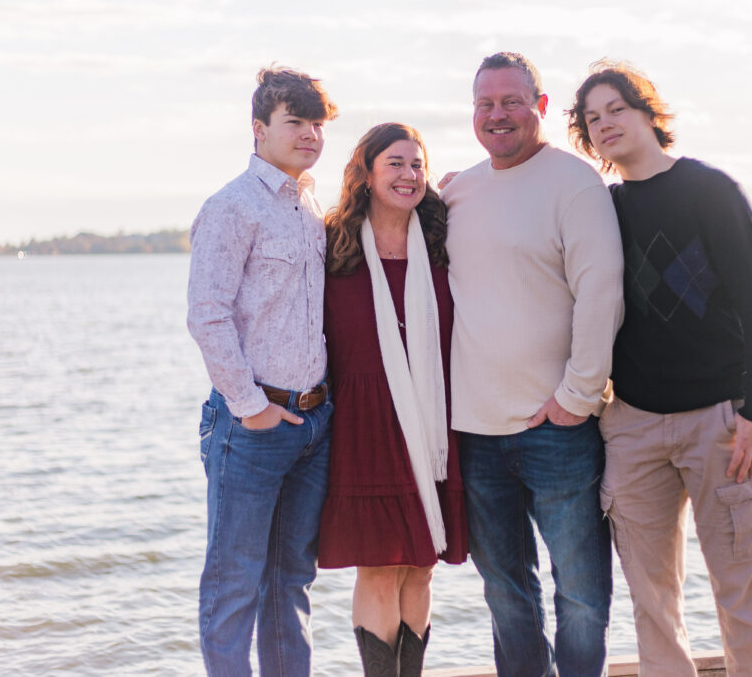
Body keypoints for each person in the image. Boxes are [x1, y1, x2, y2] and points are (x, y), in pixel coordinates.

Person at [567, 60, 752, 676]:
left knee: (743, 596)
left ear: (647, 113)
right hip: (633, 426)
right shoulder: (601, 209)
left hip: (719, 424)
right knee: (651, 603)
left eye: (617, 109)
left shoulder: (710, 191)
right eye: (593, 119)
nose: (606, 124)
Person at [440, 52, 624, 676]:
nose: (498, 115)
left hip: (558, 428)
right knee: (506, 595)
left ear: (540, 107)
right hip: (475, 431)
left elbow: (602, 291)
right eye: (485, 104)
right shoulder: (458, 191)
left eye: (511, 101)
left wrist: (576, 397)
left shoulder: (575, 183)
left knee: (581, 596)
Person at [186, 65, 338, 676]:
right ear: (258, 128)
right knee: (234, 586)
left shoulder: (310, 207)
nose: (309, 134)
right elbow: (207, 316)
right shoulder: (231, 207)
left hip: (313, 423)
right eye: (294, 122)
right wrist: (250, 407)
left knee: (292, 585)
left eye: (318, 124)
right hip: (252, 426)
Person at [319, 122, 468, 676]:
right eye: (395, 164)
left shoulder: (442, 243)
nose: (409, 175)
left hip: (432, 420)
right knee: (380, 568)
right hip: (364, 427)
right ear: (366, 172)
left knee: (421, 567)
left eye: (417, 165)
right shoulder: (332, 244)